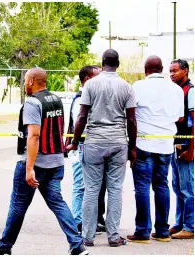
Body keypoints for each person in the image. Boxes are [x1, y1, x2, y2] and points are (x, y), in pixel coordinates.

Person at [0, 67, 88, 255]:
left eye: (25, 80)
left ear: (31, 81)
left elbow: (34, 136)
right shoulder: (55, 99)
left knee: (18, 206)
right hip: (55, 162)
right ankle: (77, 245)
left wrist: (29, 168)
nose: (24, 83)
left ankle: (3, 248)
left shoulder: (32, 102)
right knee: (58, 203)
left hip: (36, 163)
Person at [66, 49, 137, 247]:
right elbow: (131, 120)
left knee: (91, 190)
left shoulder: (91, 85)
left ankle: (87, 236)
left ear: (102, 62)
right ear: (118, 63)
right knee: (115, 190)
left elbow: (81, 116)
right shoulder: (127, 87)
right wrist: (133, 148)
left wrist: (75, 141)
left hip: (94, 143)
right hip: (117, 143)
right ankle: (113, 236)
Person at [126, 56, 184, 244]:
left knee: (142, 186)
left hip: (143, 144)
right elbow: (180, 117)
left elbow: (131, 117)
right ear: (162, 69)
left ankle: (143, 231)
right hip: (166, 144)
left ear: (146, 70)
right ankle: (162, 231)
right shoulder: (175, 89)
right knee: (161, 185)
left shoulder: (138, 87)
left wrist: (131, 145)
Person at [66, 65, 106, 234]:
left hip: (91, 146)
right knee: (81, 185)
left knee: (91, 186)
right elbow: (80, 123)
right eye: (98, 77)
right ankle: (78, 221)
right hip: (81, 146)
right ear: (88, 79)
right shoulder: (80, 98)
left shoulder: (91, 96)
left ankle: (90, 219)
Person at [169, 59, 194, 239]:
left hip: (186, 145)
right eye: (170, 71)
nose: (171, 74)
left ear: (185, 71)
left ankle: (190, 226)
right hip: (175, 144)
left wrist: (192, 149)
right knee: (177, 187)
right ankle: (179, 223)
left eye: (175, 71)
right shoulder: (177, 92)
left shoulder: (190, 91)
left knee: (187, 188)